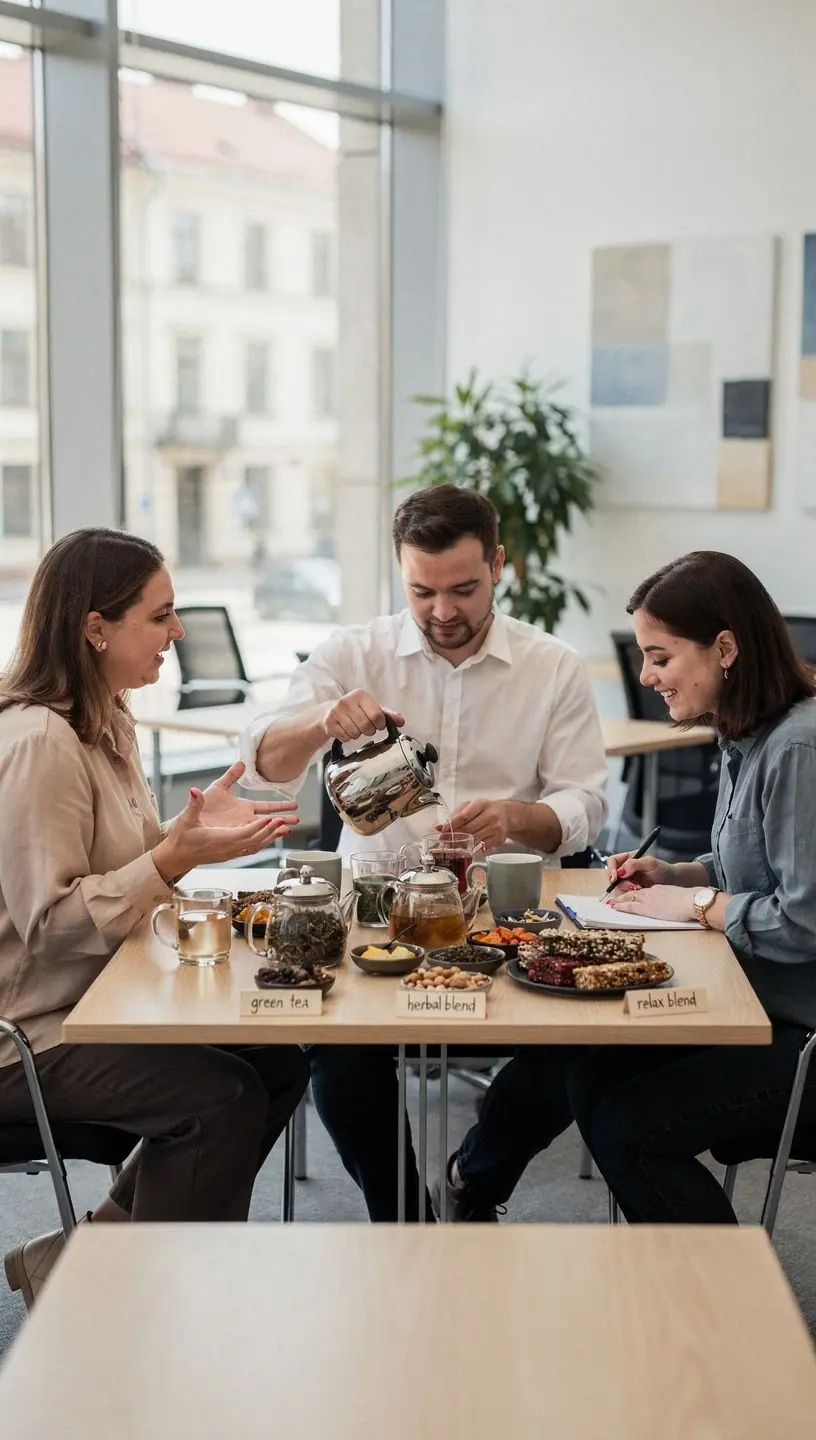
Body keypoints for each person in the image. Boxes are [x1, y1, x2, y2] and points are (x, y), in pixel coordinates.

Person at [240, 484, 607, 1220]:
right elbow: (261, 765)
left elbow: (587, 805)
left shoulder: (554, 666)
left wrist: (516, 817)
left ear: (499, 565)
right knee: (337, 1053)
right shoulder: (353, 652)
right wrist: (319, 721)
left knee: (584, 1043)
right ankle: (402, 1215)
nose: (444, 611)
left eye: (464, 589)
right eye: (423, 590)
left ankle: (476, 1179)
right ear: (400, 573)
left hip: (508, 913)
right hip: (376, 911)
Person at [1, 529, 308, 1309]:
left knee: (278, 1064)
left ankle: (87, 1264)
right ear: (95, 627)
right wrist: (175, 857)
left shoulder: (106, 719)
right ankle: (156, 1314)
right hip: (28, 1033)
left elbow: (125, 868)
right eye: (160, 615)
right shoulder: (40, 742)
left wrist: (188, 837)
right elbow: (57, 925)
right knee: (220, 1101)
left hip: (92, 1004)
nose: (179, 632)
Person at [567, 550, 816, 1223]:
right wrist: (679, 874)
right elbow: (754, 867)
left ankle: (722, 1314)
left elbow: (804, 921)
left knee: (630, 1128)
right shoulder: (746, 735)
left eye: (660, 657)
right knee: (593, 1069)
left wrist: (698, 905)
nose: (646, 675)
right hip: (753, 1004)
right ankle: (661, 1271)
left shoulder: (797, 748)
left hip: (800, 1031)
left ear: (725, 648)